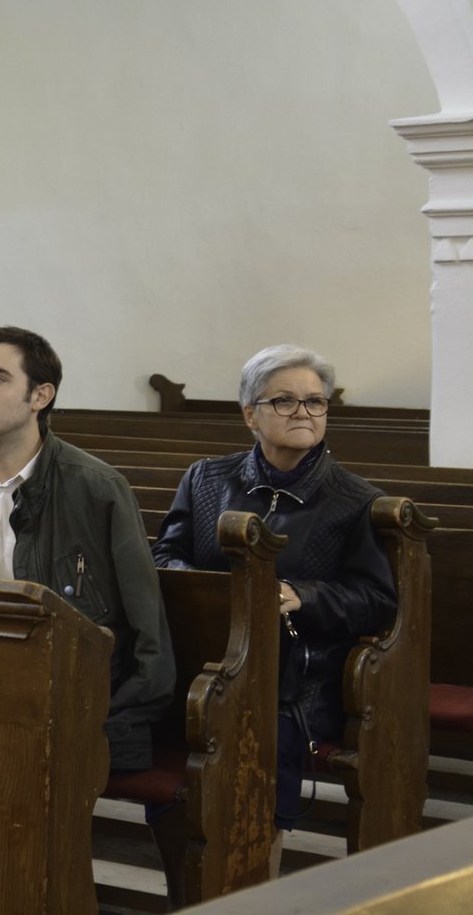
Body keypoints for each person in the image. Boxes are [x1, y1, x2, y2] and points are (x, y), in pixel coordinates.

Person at [151, 344, 395, 873]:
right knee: (152, 718)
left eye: (315, 401)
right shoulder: (206, 479)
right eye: (284, 401)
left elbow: (377, 601)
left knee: (257, 739)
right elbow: (165, 557)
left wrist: (303, 595)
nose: (303, 412)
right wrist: (214, 592)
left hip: (299, 680)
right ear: (250, 415)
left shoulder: (356, 500)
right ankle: (186, 887)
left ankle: (252, 881)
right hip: (204, 659)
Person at [0, 325, 173, 772]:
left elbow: (147, 630)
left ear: (41, 396)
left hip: (49, 703)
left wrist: (113, 728)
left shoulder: (96, 488)